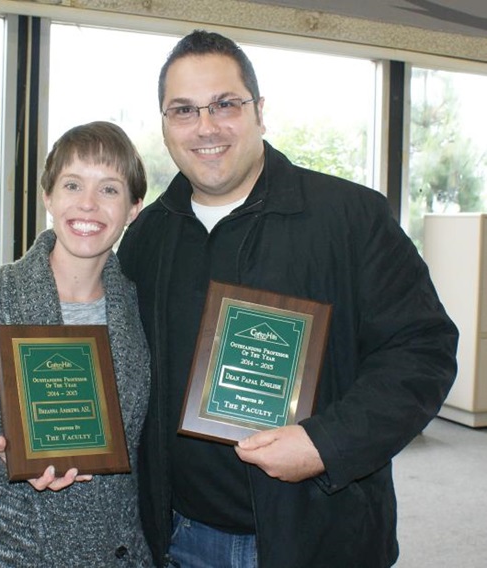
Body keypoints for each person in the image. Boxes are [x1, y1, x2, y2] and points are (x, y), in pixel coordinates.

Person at [117, 29, 459, 568]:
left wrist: (325, 444)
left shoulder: (350, 218)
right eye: (183, 110)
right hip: (179, 537)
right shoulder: (146, 239)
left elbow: (423, 352)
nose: (205, 126)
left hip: (320, 536)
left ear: (259, 111)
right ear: (164, 125)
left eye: (225, 104)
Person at [0, 121, 153, 567]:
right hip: (14, 547)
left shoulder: (141, 307)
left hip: (118, 549)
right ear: (48, 197)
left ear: (134, 208)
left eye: (110, 189)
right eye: (72, 184)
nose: (88, 204)